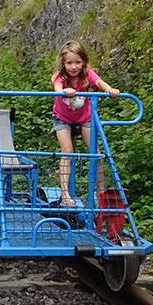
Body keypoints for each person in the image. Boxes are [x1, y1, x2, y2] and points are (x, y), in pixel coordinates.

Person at [51, 40, 120, 206]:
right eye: (69, 63)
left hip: (84, 118)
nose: (74, 67)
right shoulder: (60, 77)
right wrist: (63, 92)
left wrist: (109, 90)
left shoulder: (87, 74)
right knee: (67, 151)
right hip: (62, 117)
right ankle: (65, 195)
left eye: (78, 62)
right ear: (63, 63)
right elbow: (57, 88)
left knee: (95, 153)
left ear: (83, 62)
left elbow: (99, 82)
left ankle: (100, 194)